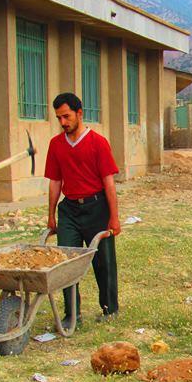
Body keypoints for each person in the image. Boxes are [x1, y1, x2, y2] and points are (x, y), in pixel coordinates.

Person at [45, 93, 121, 329]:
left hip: (97, 208)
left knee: (103, 261)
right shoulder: (56, 145)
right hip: (69, 210)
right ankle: (72, 314)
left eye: (66, 116)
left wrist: (114, 217)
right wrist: (51, 215)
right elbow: (55, 182)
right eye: (59, 118)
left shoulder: (98, 143)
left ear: (79, 113)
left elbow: (109, 183)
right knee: (67, 262)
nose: (63, 122)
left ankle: (109, 309)